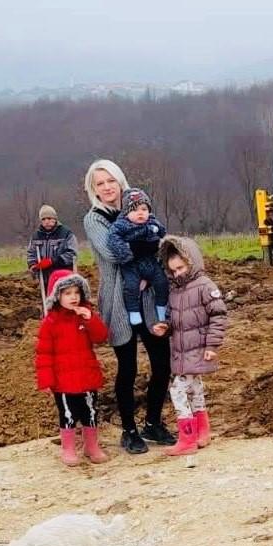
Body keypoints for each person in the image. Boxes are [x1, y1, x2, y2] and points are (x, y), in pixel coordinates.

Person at [82, 160, 176, 454]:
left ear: (120, 181)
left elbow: (163, 242)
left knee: (163, 362)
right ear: (93, 190)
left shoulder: (138, 207)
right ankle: (129, 430)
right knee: (128, 366)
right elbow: (113, 254)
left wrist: (150, 270)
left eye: (111, 180)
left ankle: (152, 423)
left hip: (149, 297)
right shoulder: (94, 219)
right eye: (100, 183)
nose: (107, 187)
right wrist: (146, 252)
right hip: (118, 299)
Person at [154, 235, 228, 455]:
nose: (177, 274)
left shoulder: (205, 286)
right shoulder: (175, 290)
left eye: (180, 268)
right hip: (182, 350)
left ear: (191, 262)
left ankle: (187, 438)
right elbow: (173, 318)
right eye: (173, 270)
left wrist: (212, 346)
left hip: (198, 349)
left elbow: (219, 315)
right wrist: (165, 327)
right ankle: (202, 431)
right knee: (195, 388)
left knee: (177, 390)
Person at [34, 269, 110, 466]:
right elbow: (44, 354)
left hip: (86, 376)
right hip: (63, 381)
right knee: (68, 415)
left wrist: (90, 318)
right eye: (67, 293)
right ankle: (68, 448)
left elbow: (101, 337)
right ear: (57, 296)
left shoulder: (84, 316)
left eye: (76, 292)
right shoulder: (50, 323)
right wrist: (47, 381)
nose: (73, 297)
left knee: (90, 412)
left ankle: (91, 446)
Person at [107, 188, 169, 330]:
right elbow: (113, 239)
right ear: (126, 213)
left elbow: (163, 234)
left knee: (162, 282)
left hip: (151, 262)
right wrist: (126, 252)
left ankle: (161, 310)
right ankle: (133, 311)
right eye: (135, 210)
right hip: (131, 264)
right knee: (131, 287)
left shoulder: (153, 222)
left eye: (144, 209)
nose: (140, 213)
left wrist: (158, 237)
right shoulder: (121, 225)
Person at [25, 204, 78, 288]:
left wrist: (52, 261)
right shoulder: (36, 236)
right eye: (43, 219)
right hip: (44, 278)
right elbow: (31, 253)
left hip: (63, 276)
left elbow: (72, 254)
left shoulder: (66, 234)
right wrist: (32, 264)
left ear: (55, 219)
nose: (46, 221)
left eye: (49, 218)